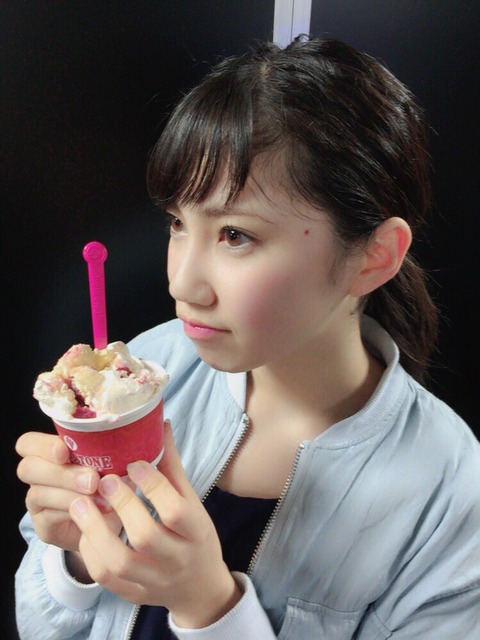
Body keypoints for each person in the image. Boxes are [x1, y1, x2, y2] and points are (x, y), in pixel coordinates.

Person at [15, 36, 480, 639]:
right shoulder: (144, 370)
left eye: (235, 235)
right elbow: (41, 622)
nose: (182, 283)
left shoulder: (450, 497)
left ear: (374, 256)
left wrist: (210, 606)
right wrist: (73, 562)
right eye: (178, 222)